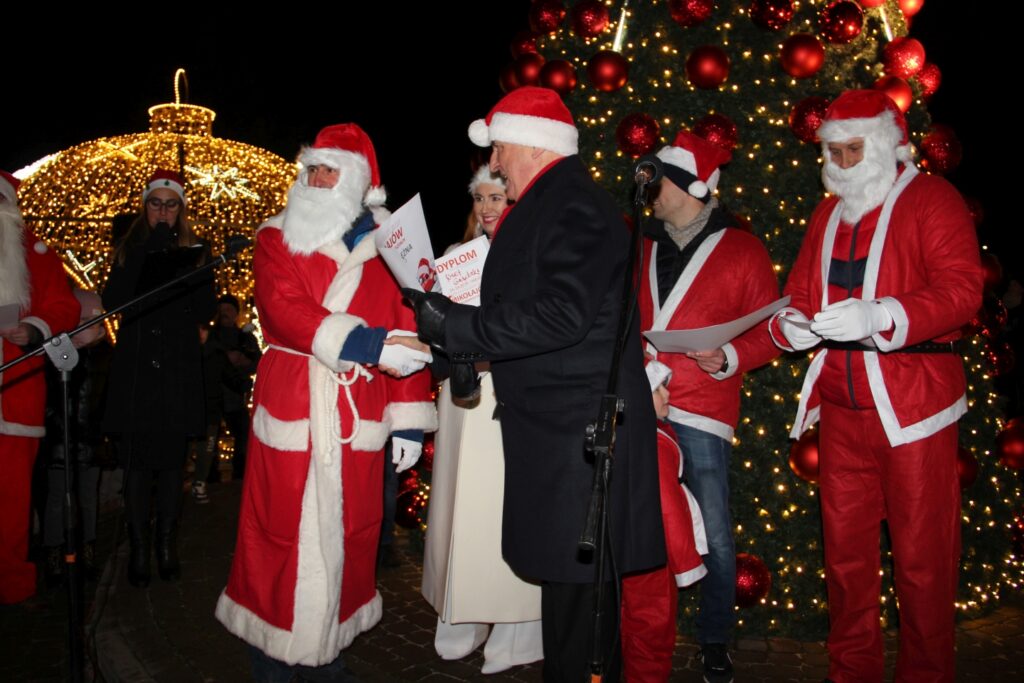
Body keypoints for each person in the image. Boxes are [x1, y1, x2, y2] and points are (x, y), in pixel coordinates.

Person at [405, 87, 665, 681]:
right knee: (571, 605)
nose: (494, 162)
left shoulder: (571, 204)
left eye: (498, 147)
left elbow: (561, 316)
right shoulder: (555, 201)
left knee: (581, 618)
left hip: (581, 446)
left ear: (528, 143)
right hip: (564, 441)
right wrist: (466, 344)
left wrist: (458, 324)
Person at [769, 89, 983, 681]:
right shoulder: (827, 214)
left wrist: (884, 314)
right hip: (841, 409)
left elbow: (964, 290)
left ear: (885, 143)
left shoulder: (933, 200)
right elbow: (803, 297)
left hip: (913, 409)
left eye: (852, 148)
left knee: (923, 563)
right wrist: (790, 326)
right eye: (832, 151)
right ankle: (852, 673)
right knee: (846, 563)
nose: (840, 162)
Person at [215, 123, 436, 680]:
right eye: (310, 168)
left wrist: (409, 420)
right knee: (277, 540)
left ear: (356, 181)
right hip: (294, 408)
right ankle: (272, 656)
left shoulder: (393, 247)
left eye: (328, 170)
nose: (314, 179)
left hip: (359, 414)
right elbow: (282, 309)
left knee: (353, 536)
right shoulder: (274, 236)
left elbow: (407, 326)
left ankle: (325, 651)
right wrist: (364, 341)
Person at [634, 130, 781, 681]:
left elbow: (772, 330)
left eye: (663, 180)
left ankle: (714, 637)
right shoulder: (642, 246)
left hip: (703, 412)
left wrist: (729, 357)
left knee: (715, 534)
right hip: (644, 405)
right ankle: (646, 632)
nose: (653, 189)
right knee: (643, 526)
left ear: (693, 186)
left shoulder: (744, 249)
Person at [421, 167, 543, 674]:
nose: (489, 206)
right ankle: (460, 616)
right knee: (457, 504)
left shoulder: (534, 254)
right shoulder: (456, 258)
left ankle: (519, 630)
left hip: (508, 394)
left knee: (501, 508)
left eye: (498, 195)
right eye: (481, 198)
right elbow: (438, 329)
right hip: (459, 398)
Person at [102, 169, 216, 587]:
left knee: (170, 465)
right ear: (144, 207)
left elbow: (205, 305)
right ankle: (138, 548)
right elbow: (115, 301)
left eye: (171, 204)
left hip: (176, 372)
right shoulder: (128, 249)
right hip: (136, 372)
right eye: (156, 203)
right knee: (137, 465)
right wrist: (148, 251)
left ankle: (166, 543)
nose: (163, 212)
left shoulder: (195, 252)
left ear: (181, 209)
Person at [0, 170, 78, 604]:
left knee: (12, 499)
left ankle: (11, 583)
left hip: (16, 392)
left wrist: (33, 328)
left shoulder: (37, 253)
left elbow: (62, 305)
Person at [42, 288, 107, 585]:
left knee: (88, 499)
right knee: (57, 500)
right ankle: (55, 556)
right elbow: (49, 400)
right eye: (76, 322)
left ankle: (88, 552)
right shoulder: (57, 357)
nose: (81, 329)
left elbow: (107, 401)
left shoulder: (108, 359)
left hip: (90, 442)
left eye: (88, 322)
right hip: (60, 441)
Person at [191, 293, 261, 502]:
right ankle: (208, 482)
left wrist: (243, 362)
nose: (226, 314)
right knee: (208, 442)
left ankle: (240, 481)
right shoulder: (209, 336)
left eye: (230, 310)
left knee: (243, 439)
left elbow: (256, 360)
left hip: (234, 396)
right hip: (211, 397)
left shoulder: (244, 337)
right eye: (222, 310)